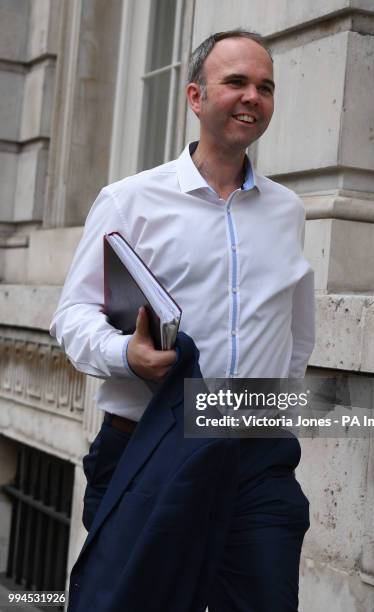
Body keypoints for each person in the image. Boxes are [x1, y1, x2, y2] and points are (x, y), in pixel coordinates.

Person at [51, 29, 315, 611]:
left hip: (255, 458)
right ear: (196, 98)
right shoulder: (129, 200)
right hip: (147, 449)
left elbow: (295, 336)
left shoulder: (288, 210)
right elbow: (71, 317)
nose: (253, 97)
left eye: (265, 87)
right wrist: (128, 356)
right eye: (237, 83)